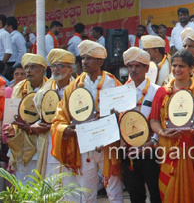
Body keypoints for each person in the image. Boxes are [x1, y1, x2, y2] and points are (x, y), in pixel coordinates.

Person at [51, 40, 123, 203]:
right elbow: (60, 116)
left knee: (114, 190)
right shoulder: (73, 87)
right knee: (86, 192)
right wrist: (64, 129)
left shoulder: (114, 83)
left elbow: (124, 114)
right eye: (83, 58)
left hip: (108, 146)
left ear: (100, 61)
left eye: (89, 58)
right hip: (84, 146)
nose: (84, 62)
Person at [149, 50, 194, 202]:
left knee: (192, 191)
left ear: (191, 68)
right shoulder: (162, 93)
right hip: (167, 149)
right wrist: (162, 133)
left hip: (192, 151)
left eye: (181, 66)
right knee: (168, 190)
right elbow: (154, 120)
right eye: (174, 65)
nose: (176, 69)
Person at [121, 47, 161, 203]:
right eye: (130, 66)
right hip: (128, 150)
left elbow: (161, 121)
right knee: (134, 194)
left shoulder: (157, 91)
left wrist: (153, 143)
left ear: (147, 68)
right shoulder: (120, 92)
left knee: (156, 193)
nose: (133, 69)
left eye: (138, 66)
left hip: (150, 150)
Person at [32, 49, 76, 188]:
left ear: (70, 70)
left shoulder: (78, 89)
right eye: (53, 66)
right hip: (50, 140)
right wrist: (34, 126)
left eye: (60, 66)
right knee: (50, 179)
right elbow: (39, 117)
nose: (56, 69)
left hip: (71, 140)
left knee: (71, 184)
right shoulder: (43, 92)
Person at [4, 53, 47, 184]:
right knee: (22, 183)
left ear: (43, 70)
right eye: (27, 67)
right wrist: (11, 127)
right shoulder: (18, 88)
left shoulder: (50, 88)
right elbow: (11, 115)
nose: (28, 71)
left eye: (33, 67)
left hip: (42, 142)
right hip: (21, 142)